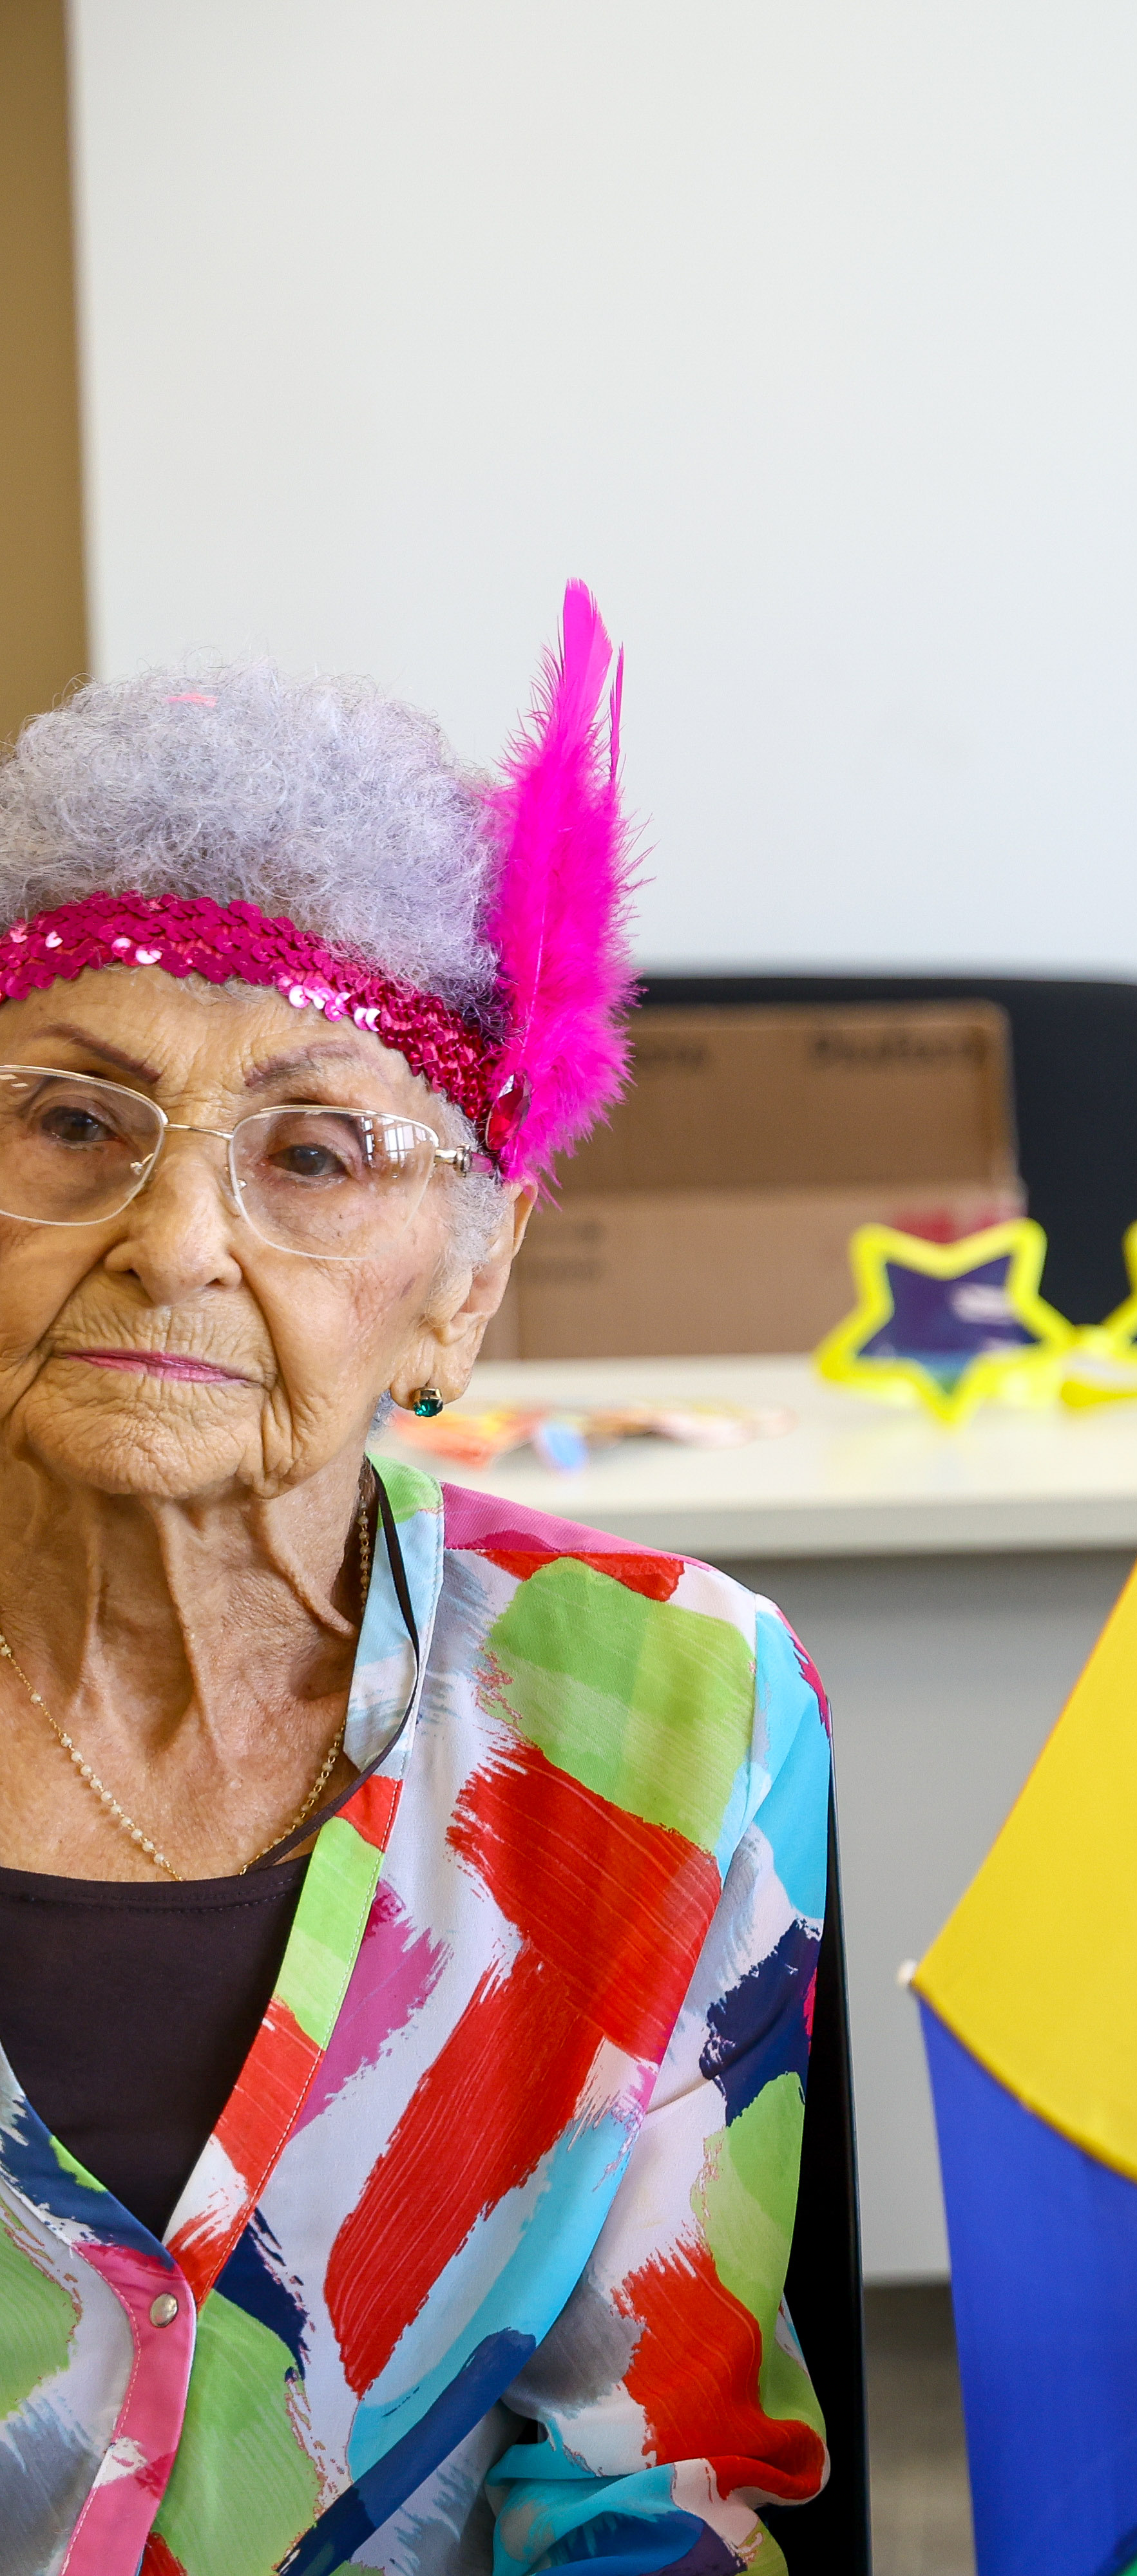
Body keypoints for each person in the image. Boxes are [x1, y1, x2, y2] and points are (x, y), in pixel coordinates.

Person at [0, 596, 830, 2570]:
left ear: (468, 1278)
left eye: (315, 1157)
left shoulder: (662, 1701)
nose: (175, 1242)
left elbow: (654, 2483)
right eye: (72, 1122)